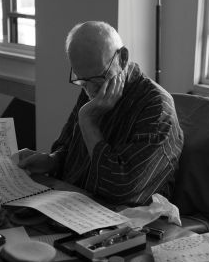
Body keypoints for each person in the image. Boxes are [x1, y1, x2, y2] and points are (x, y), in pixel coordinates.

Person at [16, 21, 184, 206]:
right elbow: (68, 149)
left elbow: (122, 190)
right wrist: (52, 160)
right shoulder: (92, 83)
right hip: (71, 203)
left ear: (123, 58)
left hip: (127, 221)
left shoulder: (156, 107)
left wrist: (88, 122)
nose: (91, 91)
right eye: (82, 81)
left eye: (98, 79)